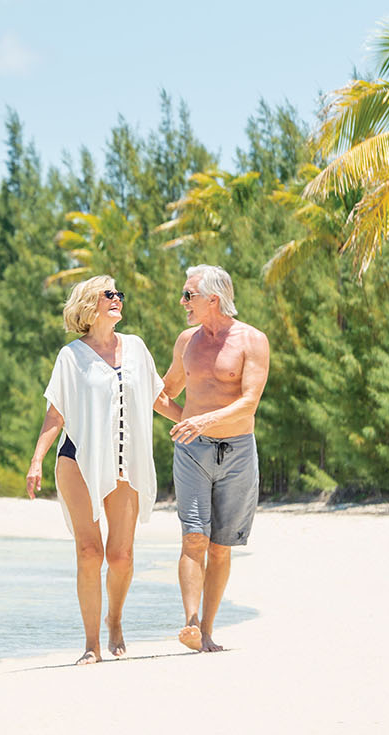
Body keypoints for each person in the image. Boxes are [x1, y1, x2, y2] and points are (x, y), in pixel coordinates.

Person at [26, 274, 184, 665]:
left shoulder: (136, 349)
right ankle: (91, 644)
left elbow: (158, 398)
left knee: (122, 556)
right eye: (108, 294)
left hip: (124, 462)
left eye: (119, 295)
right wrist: (36, 461)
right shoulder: (71, 356)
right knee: (88, 551)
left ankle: (115, 620)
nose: (118, 300)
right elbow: (55, 412)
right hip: (77, 460)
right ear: (88, 304)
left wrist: (194, 424)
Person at [162, 264, 270, 653]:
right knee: (194, 536)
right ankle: (190, 623)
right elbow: (163, 393)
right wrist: (187, 423)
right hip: (192, 452)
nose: (182, 302)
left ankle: (207, 631)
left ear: (213, 299)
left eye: (188, 295)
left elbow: (249, 402)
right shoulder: (186, 341)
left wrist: (204, 418)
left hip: (238, 451)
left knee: (221, 545)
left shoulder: (252, 340)